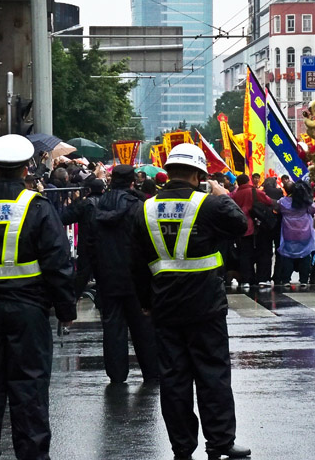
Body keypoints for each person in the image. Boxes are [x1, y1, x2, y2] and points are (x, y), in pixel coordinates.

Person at [0, 134, 76, 459]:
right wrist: (65, 309)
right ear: (26, 170)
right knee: (29, 387)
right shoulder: (37, 207)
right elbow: (57, 262)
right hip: (29, 309)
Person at [131, 143, 250, 460]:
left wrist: (146, 301)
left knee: (173, 379)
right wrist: (222, 195)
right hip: (205, 305)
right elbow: (240, 224)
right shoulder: (209, 205)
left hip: (165, 305)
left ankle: (182, 447)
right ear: (199, 175)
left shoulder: (145, 209)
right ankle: (220, 441)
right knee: (213, 374)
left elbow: (137, 262)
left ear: (168, 172)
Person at [91, 165, 161, 384]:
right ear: (133, 182)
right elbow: (146, 244)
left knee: (112, 326)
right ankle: (151, 371)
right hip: (135, 274)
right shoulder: (139, 207)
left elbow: (91, 244)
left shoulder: (98, 205)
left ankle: (117, 374)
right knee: (143, 326)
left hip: (107, 274)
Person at [60, 177, 105, 301]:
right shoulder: (108, 203)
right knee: (103, 277)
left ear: (89, 190)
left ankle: (71, 301)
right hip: (104, 245)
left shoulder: (84, 204)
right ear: (103, 190)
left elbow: (65, 218)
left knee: (81, 276)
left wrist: (74, 202)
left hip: (86, 245)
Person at [230, 174, 276, 290]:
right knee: (263, 252)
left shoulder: (235, 195)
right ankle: (262, 279)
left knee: (245, 254)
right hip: (258, 227)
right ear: (248, 181)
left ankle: (246, 279)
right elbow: (268, 201)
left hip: (241, 227)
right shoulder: (255, 192)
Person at [276, 182, 315, 287]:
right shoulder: (305, 202)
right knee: (305, 255)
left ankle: (286, 280)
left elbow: (277, 209)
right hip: (305, 232)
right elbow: (313, 210)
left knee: (288, 256)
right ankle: (303, 280)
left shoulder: (282, 202)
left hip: (288, 232)